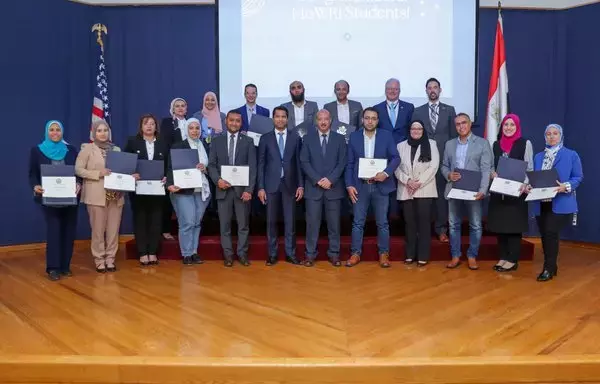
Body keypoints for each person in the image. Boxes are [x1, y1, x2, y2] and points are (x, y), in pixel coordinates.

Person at [345, 108, 400, 268]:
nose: (370, 121)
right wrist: (349, 185)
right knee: (357, 223)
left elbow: (396, 158)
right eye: (367, 118)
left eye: (373, 118)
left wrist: (386, 173)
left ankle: (384, 254)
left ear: (377, 120)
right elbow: (349, 164)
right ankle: (355, 253)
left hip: (380, 186)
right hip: (360, 186)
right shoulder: (354, 137)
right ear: (362, 120)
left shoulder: (386, 135)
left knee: (382, 223)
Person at [75, 119, 131, 273]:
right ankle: (99, 259)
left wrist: (130, 176)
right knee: (98, 231)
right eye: (99, 131)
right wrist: (98, 173)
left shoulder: (117, 150)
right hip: (96, 195)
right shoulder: (87, 149)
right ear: (94, 133)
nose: (102, 133)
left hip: (116, 195)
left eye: (105, 130)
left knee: (113, 230)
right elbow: (78, 170)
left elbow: (123, 171)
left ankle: (110, 259)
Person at [529, 124, 583, 282]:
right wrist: (530, 185)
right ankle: (552, 266)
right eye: (548, 134)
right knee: (545, 235)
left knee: (551, 233)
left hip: (560, 202)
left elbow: (578, 177)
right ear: (545, 137)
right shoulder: (538, 156)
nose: (552, 137)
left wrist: (564, 187)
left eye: (555, 133)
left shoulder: (571, 155)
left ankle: (548, 268)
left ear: (561, 136)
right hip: (541, 202)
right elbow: (537, 178)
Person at [29, 120, 81, 281]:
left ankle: (65, 266)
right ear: (47, 132)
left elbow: (78, 172)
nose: (55, 132)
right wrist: (36, 186)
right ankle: (53, 267)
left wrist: (79, 183)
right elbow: (32, 174)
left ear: (62, 132)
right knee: (54, 231)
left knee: (69, 232)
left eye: (58, 130)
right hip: (49, 198)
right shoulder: (37, 151)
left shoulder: (71, 150)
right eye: (51, 130)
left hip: (70, 198)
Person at [441, 113, 493, 270]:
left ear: (470, 124)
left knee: (476, 225)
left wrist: (483, 190)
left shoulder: (483, 143)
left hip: (474, 191)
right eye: (457, 124)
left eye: (464, 123)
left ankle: (472, 255)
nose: (461, 126)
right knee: (453, 224)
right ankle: (455, 255)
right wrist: (448, 174)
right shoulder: (449, 144)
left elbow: (486, 169)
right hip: (454, 189)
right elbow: (444, 166)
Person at [208, 110, 257, 267]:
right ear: (226, 121)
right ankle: (228, 255)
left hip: (242, 191)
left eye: (237, 121)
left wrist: (249, 190)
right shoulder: (216, 141)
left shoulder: (248, 141)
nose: (234, 123)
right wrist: (217, 180)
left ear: (241, 123)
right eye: (231, 120)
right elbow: (212, 165)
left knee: (243, 225)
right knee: (225, 226)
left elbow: (253, 167)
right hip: (223, 190)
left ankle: (242, 254)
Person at [411, 78, 457, 242]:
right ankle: (421, 230)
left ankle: (441, 229)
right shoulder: (417, 111)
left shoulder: (450, 110)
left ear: (440, 89)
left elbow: (453, 137)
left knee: (441, 198)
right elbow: (415, 137)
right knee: (422, 196)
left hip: (443, 160)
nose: (432, 90)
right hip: (424, 160)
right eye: (429, 88)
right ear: (426, 91)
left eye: (435, 87)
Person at [300, 109, 347, 267]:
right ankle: (310, 254)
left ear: (331, 120)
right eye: (320, 119)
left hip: (333, 189)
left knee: (334, 225)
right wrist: (318, 180)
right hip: (314, 189)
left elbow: (342, 162)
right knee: (312, 225)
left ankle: (334, 254)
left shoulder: (340, 139)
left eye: (326, 118)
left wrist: (331, 180)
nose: (323, 122)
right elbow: (304, 162)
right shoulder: (307, 139)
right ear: (316, 121)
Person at [257, 106, 304, 265]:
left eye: (283, 117)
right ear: (273, 118)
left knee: (290, 222)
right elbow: (261, 164)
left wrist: (301, 185)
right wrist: (261, 187)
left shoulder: (295, 137)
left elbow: (298, 163)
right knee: (271, 222)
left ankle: (290, 253)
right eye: (277, 116)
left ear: (287, 119)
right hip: (271, 185)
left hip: (290, 185)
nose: (280, 119)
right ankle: (272, 254)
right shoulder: (265, 138)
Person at [487, 114, 533, 272]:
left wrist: (525, 184)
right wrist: (492, 173)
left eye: (512, 125)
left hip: (517, 193)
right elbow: (491, 165)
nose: (508, 128)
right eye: (506, 125)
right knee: (501, 226)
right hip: (499, 192)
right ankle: (503, 257)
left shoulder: (525, 143)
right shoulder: (495, 144)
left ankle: (512, 260)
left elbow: (530, 167)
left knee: (513, 227)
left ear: (517, 127)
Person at [166, 118, 212, 265]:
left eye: (197, 128)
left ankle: (194, 252)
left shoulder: (206, 146)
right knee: (187, 222)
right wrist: (170, 184)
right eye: (191, 128)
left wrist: (205, 169)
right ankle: (186, 253)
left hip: (201, 189)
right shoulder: (179, 146)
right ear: (186, 130)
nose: (195, 131)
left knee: (196, 223)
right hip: (183, 190)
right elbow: (170, 168)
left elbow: (213, 167)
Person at [124, 114, 168, 266]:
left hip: (158, 189)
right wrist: (131, 174)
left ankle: (153, 252)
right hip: (138, 189)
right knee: (140, 219)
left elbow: (169, 165)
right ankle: (142, 252)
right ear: (141, 126)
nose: (149, 126)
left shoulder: (163, 143)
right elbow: (126, 163)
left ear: (156, 126)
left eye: (152, 124)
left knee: (156, 220)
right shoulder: (132, 142)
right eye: (146, 123)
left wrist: (166, 177)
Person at [395, 120, 440, 266]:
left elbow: (433, 167)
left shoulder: (431, 144)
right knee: (409, 224)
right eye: (413, 128)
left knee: (424, 224)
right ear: (409, 130)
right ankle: (410, 255)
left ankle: (423, 256)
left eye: (419, 128)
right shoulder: (400, 146)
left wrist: (418, 183)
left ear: (423, 130)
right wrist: (408, 181)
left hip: (424, 189)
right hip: (406, 189)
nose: (416, 131)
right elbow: (395, 167)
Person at [159, 97, 188, 241]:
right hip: (171, 162)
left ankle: (185, 228)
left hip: (187, 164)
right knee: (168, 199)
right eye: (177, 106)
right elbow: (164, 144)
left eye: (183, 106)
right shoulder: (167, 122)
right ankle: (165, 229)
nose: (180, 108)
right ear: (173, 108)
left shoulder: (190, 123)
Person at [372, 78, 414, 144]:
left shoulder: (409, 107)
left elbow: (412, 128)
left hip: (404, 147)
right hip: (383, 147)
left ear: (399, 91)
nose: (392, 91)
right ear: (385, 90)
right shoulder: (377, 108)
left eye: (396, 89)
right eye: (389, 89)